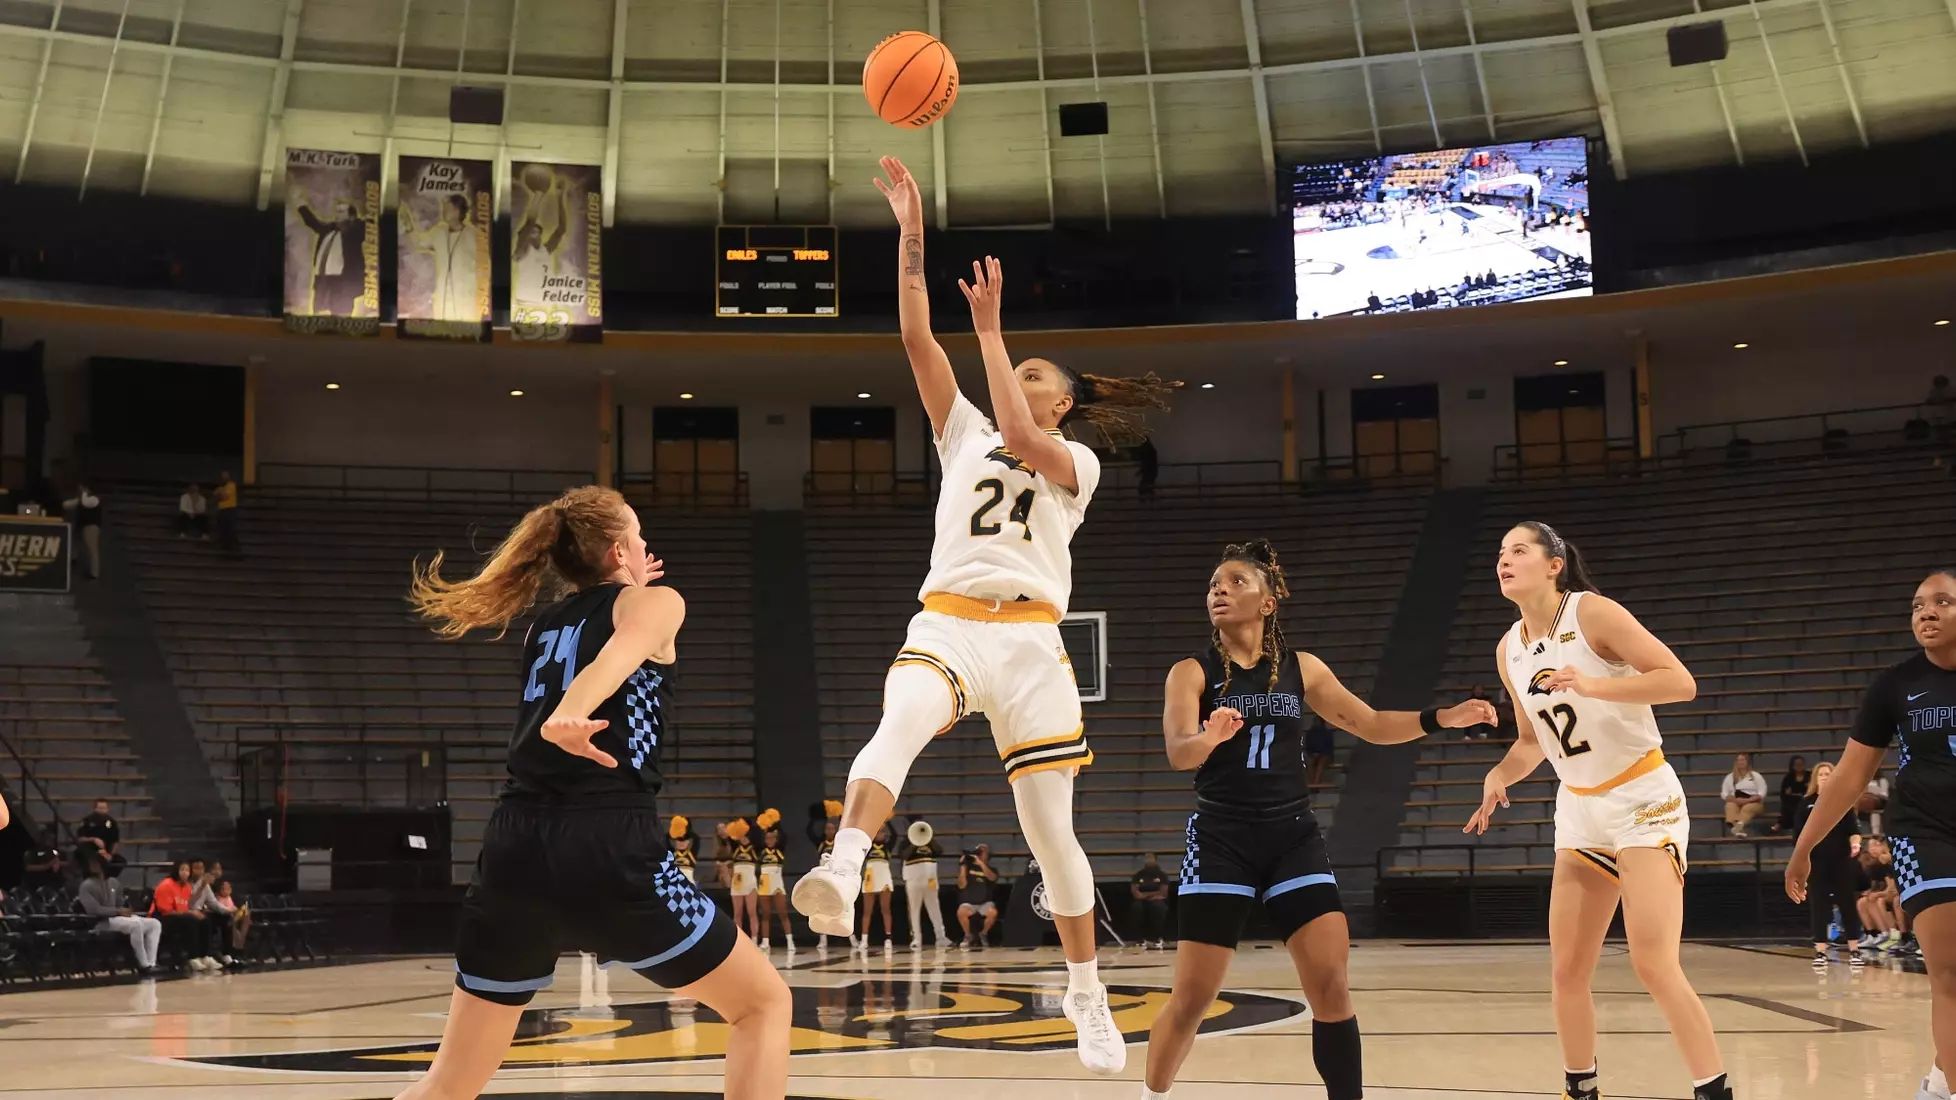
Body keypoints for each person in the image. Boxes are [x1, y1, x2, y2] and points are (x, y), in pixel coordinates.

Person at [792, 156, 1179, 1076]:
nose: (1022, 374)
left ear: (1067, 402)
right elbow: (917, 332)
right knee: (897, 726)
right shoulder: (960, 429)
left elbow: (1019, 426)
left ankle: (1088, 996)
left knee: (1054, 839)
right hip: (949, 622)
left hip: (1033, 644)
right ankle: (843, 867)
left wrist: (998, 333)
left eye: (1040, 372)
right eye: (1021, 365)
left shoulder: (1075, 466)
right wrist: (911, 229)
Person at [400, 484, 789, 1100]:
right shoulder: (656, 604)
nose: (646, 546)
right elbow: (619, 654)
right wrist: (572, 712)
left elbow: (604, 634)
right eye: (637, 535)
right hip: (608, 843)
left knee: (450, 1081)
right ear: (616, 551)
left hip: (514, 847)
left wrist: (627, 583)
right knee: (764, 1004)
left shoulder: (542, 628)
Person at [1145, 539, 1496, 1100]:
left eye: (1236, 581)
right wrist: (1207, 737)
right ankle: (1152, 1095)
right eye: (1214, 583)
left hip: (1292, 837)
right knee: (1192, 999)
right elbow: (1178, 752)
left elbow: (1374, 724)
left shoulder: (1302, 669)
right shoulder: (1190, 672)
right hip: (1220, 838)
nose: (1219, 589)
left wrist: (1441, 717)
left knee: (1331, 983)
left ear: (1267, 603)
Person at [1464, 521, 1732, 1100]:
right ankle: (1580, 1090)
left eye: (1517, 550)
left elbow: (1679, 682)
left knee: (1653, 963)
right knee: (1566, 972)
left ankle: (1714, 1091)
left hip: (1642, 800)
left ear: (1553, 563)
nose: (1503, 561)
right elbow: (1533, 740)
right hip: (1579, 811)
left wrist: (1592, 685)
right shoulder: (1508, 648)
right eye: (1499, 553)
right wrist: (1497, 774)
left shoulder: (1593, 613)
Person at [1787, 568, 1956, 1100]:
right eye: (1917, 606)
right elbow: (1850, 778)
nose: (1926, 612)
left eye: (1942, 602)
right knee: (1949, 972)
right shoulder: (1896, 685)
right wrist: (1804, 847)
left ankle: (1939, 1076)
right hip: (1924, 834)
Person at [1794, 762, 1864, 968]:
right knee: (1819, 905)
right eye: (1821, 774)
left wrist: (1856, 844)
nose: (1825, 777)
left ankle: (1854, 949)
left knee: (1848, 904)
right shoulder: (1806, 803)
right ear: (1815, 778)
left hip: (1841, 859)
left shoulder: (1843, 801)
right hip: (1816, 861)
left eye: (1828, 773)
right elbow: (1799, 835)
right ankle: (1820, 951)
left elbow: (1854, 829)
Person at [77, 850, 160, 976]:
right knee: (136, 925)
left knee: (154, 923)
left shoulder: (113, 882)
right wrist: (117, 911)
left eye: (95, 863)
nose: (93, 866)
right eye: (91, 864)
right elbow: (94, 910)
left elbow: (119, 902)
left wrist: (126, 910)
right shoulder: (86, 886)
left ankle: (152, 962)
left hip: (119, 918)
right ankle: (143, 964)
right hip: (103, 921)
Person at [402, 193, 481, 322]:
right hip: (444, 298)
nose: (443, 212)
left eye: (447, 208)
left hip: (464, 298)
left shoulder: (473, 235)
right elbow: (418, 243)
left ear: (456, 211)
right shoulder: (439, 232)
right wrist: (408, 224)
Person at [152, 860, 223, 972]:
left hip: (181, 916)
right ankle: (192, 957)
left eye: (187, 870)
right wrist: (189, 913)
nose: (185, 873)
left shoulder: (187, 886)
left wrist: (202, 886)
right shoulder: (166, 885)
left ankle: (205, 956)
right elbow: (166, 911)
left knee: (204, 920)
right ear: (176, 870)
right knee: (191, 920)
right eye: (182, 869)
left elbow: (190, 903)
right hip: (163, 918)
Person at [902, 820, 948, 949]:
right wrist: (914, 842)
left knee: (935, 909)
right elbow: (903, 855)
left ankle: (941, 937)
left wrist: (930, 839)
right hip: (914, 881)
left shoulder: (931, 843)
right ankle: (916, 938)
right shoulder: (906, 842)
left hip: (930, 880)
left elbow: (940, 851)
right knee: (914, 910)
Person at [1859, 836, 1907, 952]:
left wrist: (1880, 894)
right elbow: (1890, 887)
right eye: (1870, 846)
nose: (1873, 850)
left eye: (1875, 845)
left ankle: (1902, 936)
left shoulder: (1897, 860)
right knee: (1863, 902)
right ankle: (1879, 934)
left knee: (1884, 901)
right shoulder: (1880, 865)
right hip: (1896, 892)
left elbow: (1892, 889)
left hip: (1906, 892)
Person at [756, 817, 792, 953]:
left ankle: (790, 941)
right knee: (765, 914)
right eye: (767, 838)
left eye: (772, 838)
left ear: (776, 839)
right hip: (764, 883)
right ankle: (765, 942)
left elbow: (785, 836)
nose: (769, 840)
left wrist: (775, 821)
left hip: (777, 883)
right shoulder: (761, 851)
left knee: (783, 913)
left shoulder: (780, 849)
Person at [858, 824, 896, 953]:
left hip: (884, 876)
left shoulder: (887, 846)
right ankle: (864, 940)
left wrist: (887, 822)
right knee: (867, 910)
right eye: (878, 832)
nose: (881, 834)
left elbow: (895, 835)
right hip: (870, 877)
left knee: (885, 909)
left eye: (883, 832)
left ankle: (888, 938)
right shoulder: (868, 847)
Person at [956, 844, 1000, 949]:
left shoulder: (992, 869)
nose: (980, 854)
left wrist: (981, 863)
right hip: (969, 902)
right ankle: (968, 936)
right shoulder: (969, 868)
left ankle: (983, 934)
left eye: (983, 852)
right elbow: (961, 885)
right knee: (961, 912)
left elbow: (992, 878)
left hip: (985, 902)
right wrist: (963, 866)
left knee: (992, 913)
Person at [728, 819, 760, 943]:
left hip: (750, 881)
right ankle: (739, 941)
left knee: (752, 912)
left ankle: (755, 939)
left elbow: (758, 833)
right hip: (737, 882)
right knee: (737, 913)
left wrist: (748, 825)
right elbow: (729, 835)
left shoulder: (754, 847)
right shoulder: (735, 846)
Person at [1720, 753, 1766, 838]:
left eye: (1743, 760)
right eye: (1739, 760)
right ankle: (1738, 830)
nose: (1741, 762)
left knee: (1747, 808)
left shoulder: (1756, 776)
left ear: (1747, 762)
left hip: (1753, 802)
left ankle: (1739, 826)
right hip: (1736, 800)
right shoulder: (1730, 777)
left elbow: (1762, 792)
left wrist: (1748, 800)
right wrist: (1735, 800)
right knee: (1730, 806)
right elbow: (1724, 794)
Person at [1129, 853, 1169, 949]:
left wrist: (1149, 895)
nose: (1148, 860)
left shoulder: (1161, 875)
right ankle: (1140, 939)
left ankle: (1157, 938)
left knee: (1158, 908)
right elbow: (1135, 892)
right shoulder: (1139, 875)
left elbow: (1163, 893)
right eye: (1147, 858)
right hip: (1142, 900)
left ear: (1155, 859)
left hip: (1156, 900)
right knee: (1136, 908)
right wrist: (1148, 895)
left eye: (1150, 858)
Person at [63, 484, 102, 580]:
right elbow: (66, 505)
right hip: (81, 526)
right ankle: (73, 558)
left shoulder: (94, 499)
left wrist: (83, 492)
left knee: (92, 550)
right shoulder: (81, 499)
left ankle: (94, 573)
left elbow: (85, 502)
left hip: (91, 527)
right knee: (74, 540)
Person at [75, 798, 123, 875]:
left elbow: (115, 841)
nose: (102, 811)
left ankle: (107, 878)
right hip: (90, 850)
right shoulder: (87, 821)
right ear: (94, 808)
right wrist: (93, 839)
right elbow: (80, 839)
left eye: (104, 808)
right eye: (100, 808)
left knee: (120, 861)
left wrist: (111, 854)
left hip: (106, 851)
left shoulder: (111, 822)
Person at [1775, 756, 1810, 835]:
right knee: (1789, 806)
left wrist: (1796, 794)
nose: (1800, 766)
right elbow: (1785, 794)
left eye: (1801, 764)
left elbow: (1811, 789)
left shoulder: (1809, 775)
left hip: (1807, 799)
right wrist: (1798, 794)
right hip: (1792, 802)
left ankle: (1779, 823)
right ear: (1793, 766)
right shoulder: (1788, 778)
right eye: (1797, 764)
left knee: (1803, 803)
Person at [213, 471, 240, 556]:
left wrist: (220, 494)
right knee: (222, 530)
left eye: (225, 476)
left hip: (230, 510)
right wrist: (220, 494)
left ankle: (235, 550)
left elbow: (223, 496)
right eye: (222, 476)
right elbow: (216, 496)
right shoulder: (220, 488)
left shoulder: (231, 485)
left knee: (230, 529)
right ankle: (224, 549)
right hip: (221, 510)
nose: (224, 478)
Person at [669, 816, 698, 884]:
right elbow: (665, 840)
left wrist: (687, 827)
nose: (681, 843)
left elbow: (697, 839)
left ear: (688, 842)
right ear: (675, 842)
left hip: (689, 884)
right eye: (679, 841)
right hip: (675, 884)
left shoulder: (692, 853)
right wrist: (674, 828)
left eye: (684, 841)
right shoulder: (673, 854)